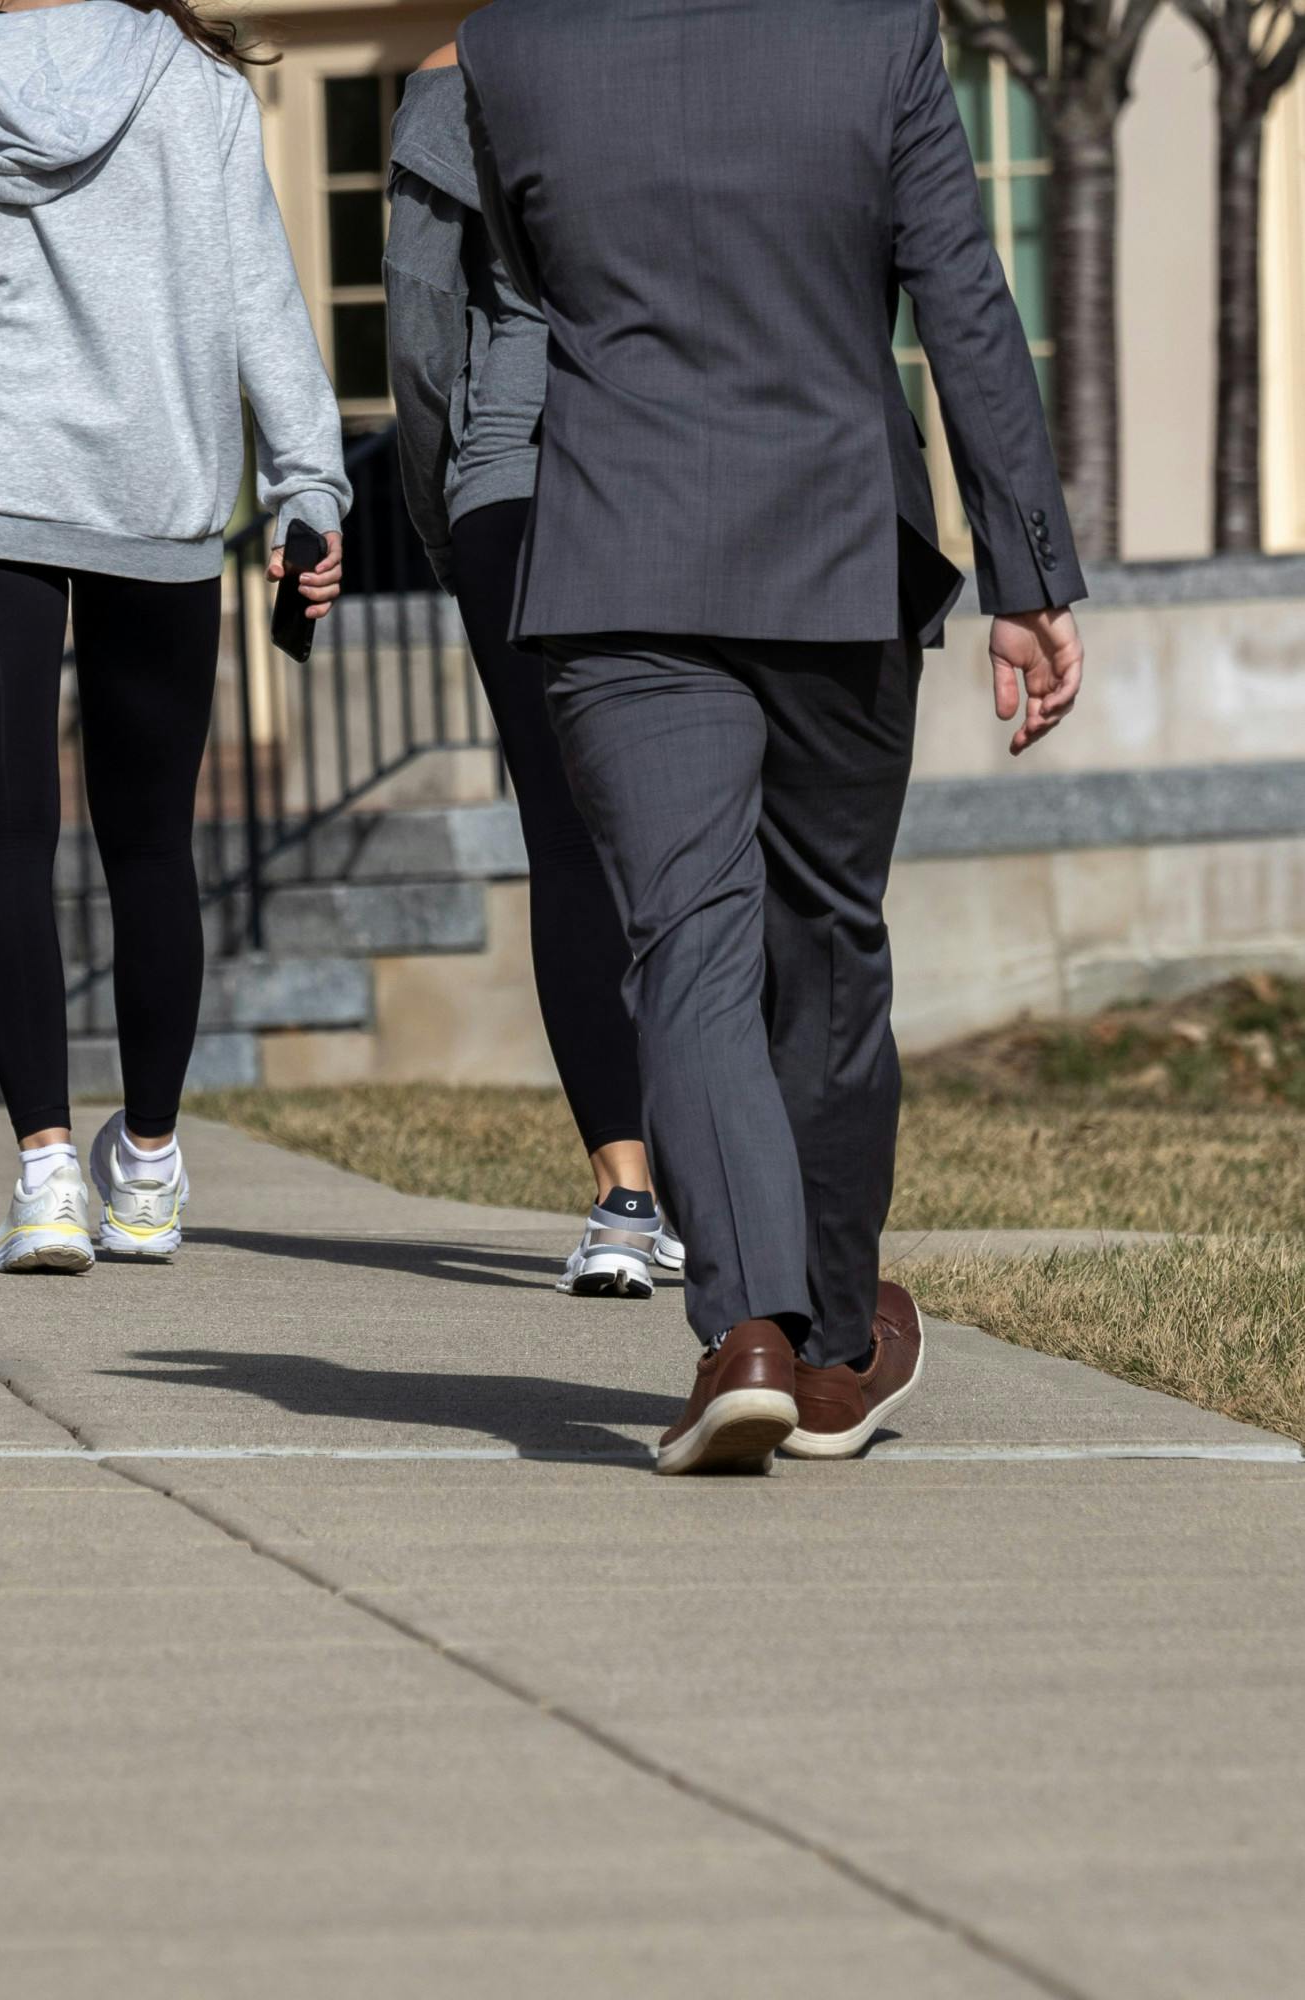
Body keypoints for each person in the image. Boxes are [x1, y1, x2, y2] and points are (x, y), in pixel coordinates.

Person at [460, 0, 1088, 1472]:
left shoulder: (511, 50)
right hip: (829, 544)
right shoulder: (874, 35)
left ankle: (747, 1331)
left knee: (686, 941)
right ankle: (820, 1349)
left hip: (620, 552)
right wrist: (1027, 573)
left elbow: (535, 281)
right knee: (823, 937)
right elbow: (960, 294)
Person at [0, 0, 349, 1272]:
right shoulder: (192, 81)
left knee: (5, 838)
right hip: (155, 499)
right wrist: (308, 484)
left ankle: (48, 1174)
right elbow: (258, 294)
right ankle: (147, 1167)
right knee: (153, 844)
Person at [383, 44, 684, 1299]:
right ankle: (721, 1182)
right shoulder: (692, 57)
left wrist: (443, 509)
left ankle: (624, 1198)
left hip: (511, 474)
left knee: (563, 838)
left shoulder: (456, 77)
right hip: (673, 475)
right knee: (694, 838)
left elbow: (415, 317)